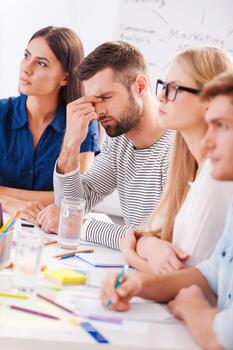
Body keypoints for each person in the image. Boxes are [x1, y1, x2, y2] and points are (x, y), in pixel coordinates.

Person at [100, 70, 233, 350]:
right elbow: (209, 274)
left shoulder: (214, 183)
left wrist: (192, 307)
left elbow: (223, 337)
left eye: (221, 126)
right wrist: (137, 284)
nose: (208, 143)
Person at [37, 41, 174, 249]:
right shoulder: (119, 140)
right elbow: (73, 205)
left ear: (140, 86)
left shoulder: (175, 148)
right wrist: (71, 144)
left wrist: (77, 225)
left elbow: (157, 239)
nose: (98, 111)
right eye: (93, 101)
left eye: (105, 97)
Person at [119, 47, 233, 273]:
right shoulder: (190, 166)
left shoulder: (216, 176)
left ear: (209, 101)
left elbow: (185, 277)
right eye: (164, 85)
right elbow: (152, 236)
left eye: (175, 89)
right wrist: (149, 245)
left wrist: (133, 255)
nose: (161, 96)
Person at [0, 26, 99, 222]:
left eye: (42, 64)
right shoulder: (2, 113)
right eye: (26, 56)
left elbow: (77, 199)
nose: (26, 68)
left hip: (50, 235)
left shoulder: (81, 123)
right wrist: (9, 203)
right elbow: (63, 199)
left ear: (65, 77)